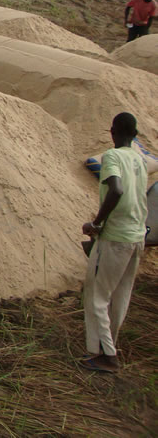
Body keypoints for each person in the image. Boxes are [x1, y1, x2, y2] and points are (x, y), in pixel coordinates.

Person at [80, 112, 148, 372]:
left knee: (97, 295)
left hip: (116, 236)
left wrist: (96, 224)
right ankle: (107, 345)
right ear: (136, 135)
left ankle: (107, 355)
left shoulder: (112, 157)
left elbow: (116, 190)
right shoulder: (140, 160)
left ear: (112, 132)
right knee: (121, 294)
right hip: (136, 235)